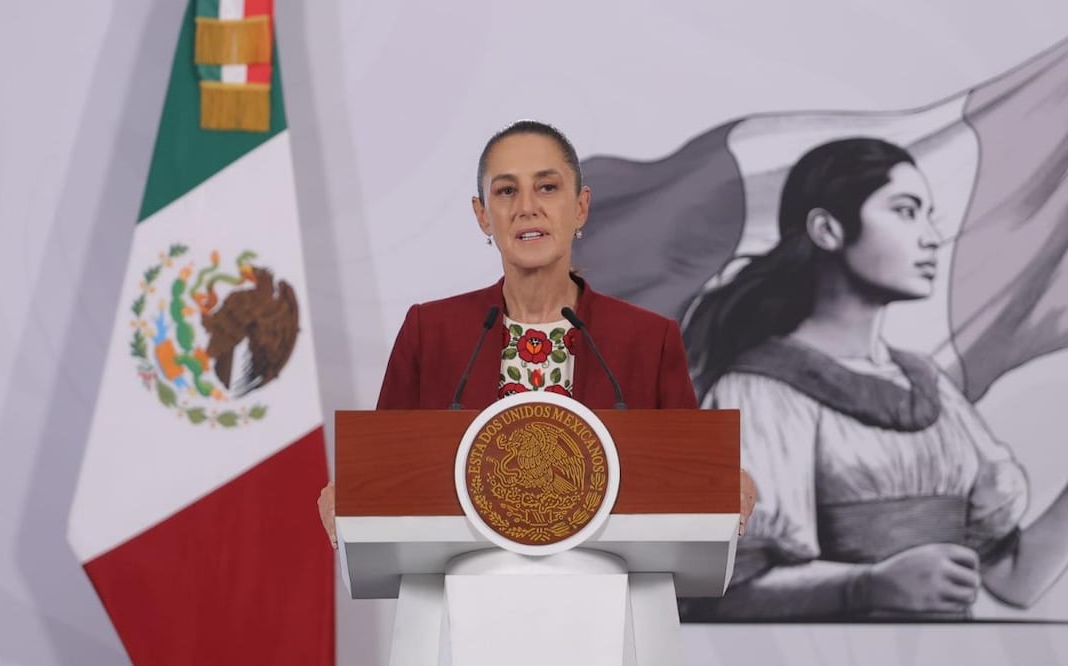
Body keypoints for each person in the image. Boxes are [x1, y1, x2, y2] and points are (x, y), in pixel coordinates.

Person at [678, 137, 1068, 621]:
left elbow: (1013, 580)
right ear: (827, 229)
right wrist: (867, 586)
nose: (930, 237)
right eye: (905, 211)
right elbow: (721, 591)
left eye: (929, 216)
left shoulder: (931, 388)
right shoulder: (759, 392)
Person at [318, 120, 756, 547]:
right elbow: (385, 470)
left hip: (605, 599)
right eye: (506, 191)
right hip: (465, 597)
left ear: (580, 207)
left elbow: (691, 475)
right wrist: (353, 490)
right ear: (482, 215)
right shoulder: (431, 332)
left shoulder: (647, 340)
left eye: (547, 187)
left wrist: (723, 483)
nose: (527, 206)